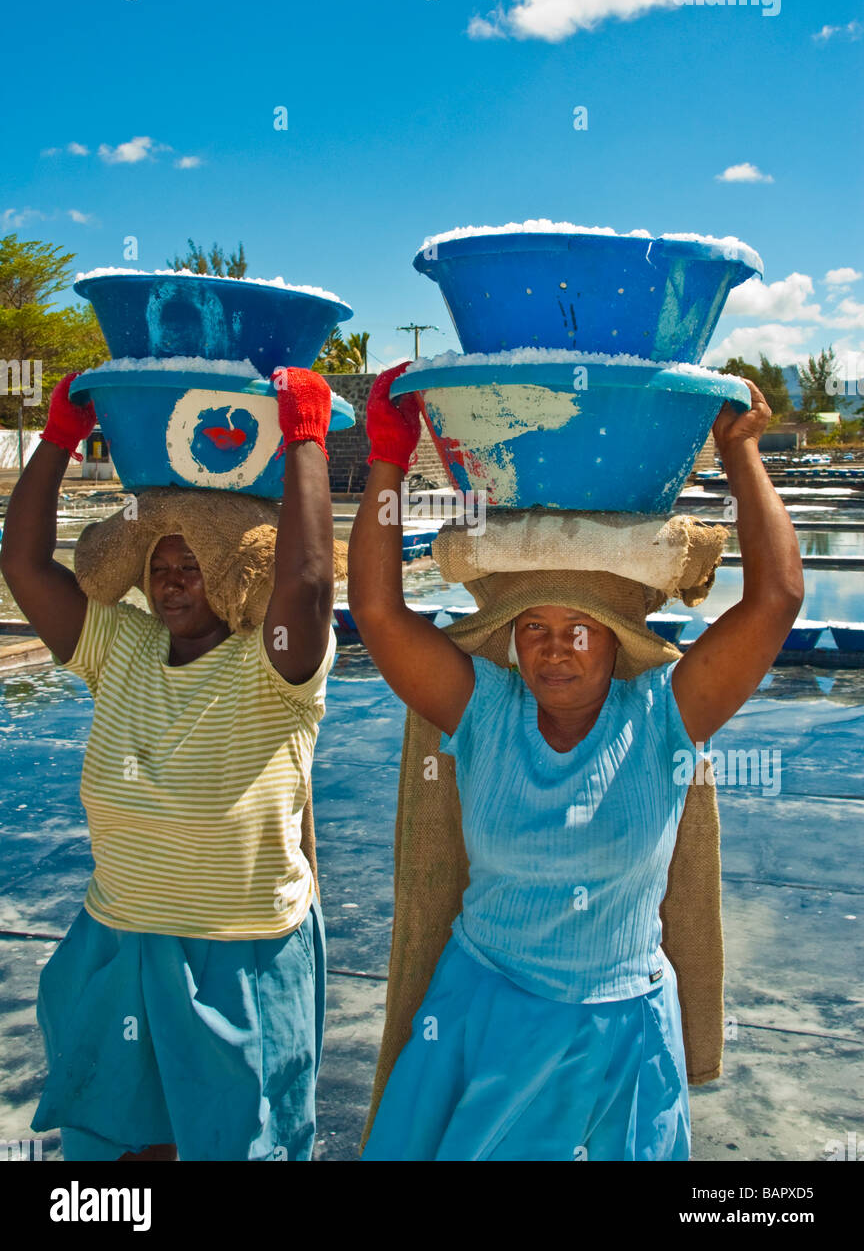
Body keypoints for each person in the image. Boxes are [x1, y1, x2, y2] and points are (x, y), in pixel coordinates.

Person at [348, 363, 804, 1161]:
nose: (555, 647)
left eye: (579, 626)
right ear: (512, 640)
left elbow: (776, 601)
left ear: (613, 637)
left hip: (621, 1038)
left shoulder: (666, 714)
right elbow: (379, 611)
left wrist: (740, 452)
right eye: (534, 628)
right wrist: (389, 452)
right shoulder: (484, 709)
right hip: (483, 1020)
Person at [1, 367, 339, 1161]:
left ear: (232, 574)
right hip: (119, 949)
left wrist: (306, 439)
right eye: (160, 563)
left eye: (194, 563)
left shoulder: (275, 667)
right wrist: (55, 439)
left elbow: (312, 581)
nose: (172, 577)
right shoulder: (120, 644)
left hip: (242, 956)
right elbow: (22, 566)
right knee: (124, 1164)